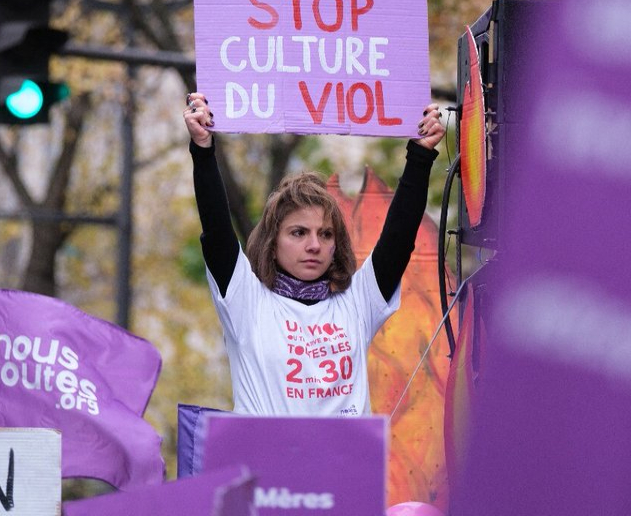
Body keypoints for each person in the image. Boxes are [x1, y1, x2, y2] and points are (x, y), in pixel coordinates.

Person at [183, 91, 445, 417]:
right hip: (265, 466)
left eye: (325, 234)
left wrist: (420, 156)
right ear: (272, 243)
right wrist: (203, 149)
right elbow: (217, 230)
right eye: (298, 233)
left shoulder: (357, 302)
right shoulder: (246, 301)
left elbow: (399, 239)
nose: (314, 245)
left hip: (344, 466)